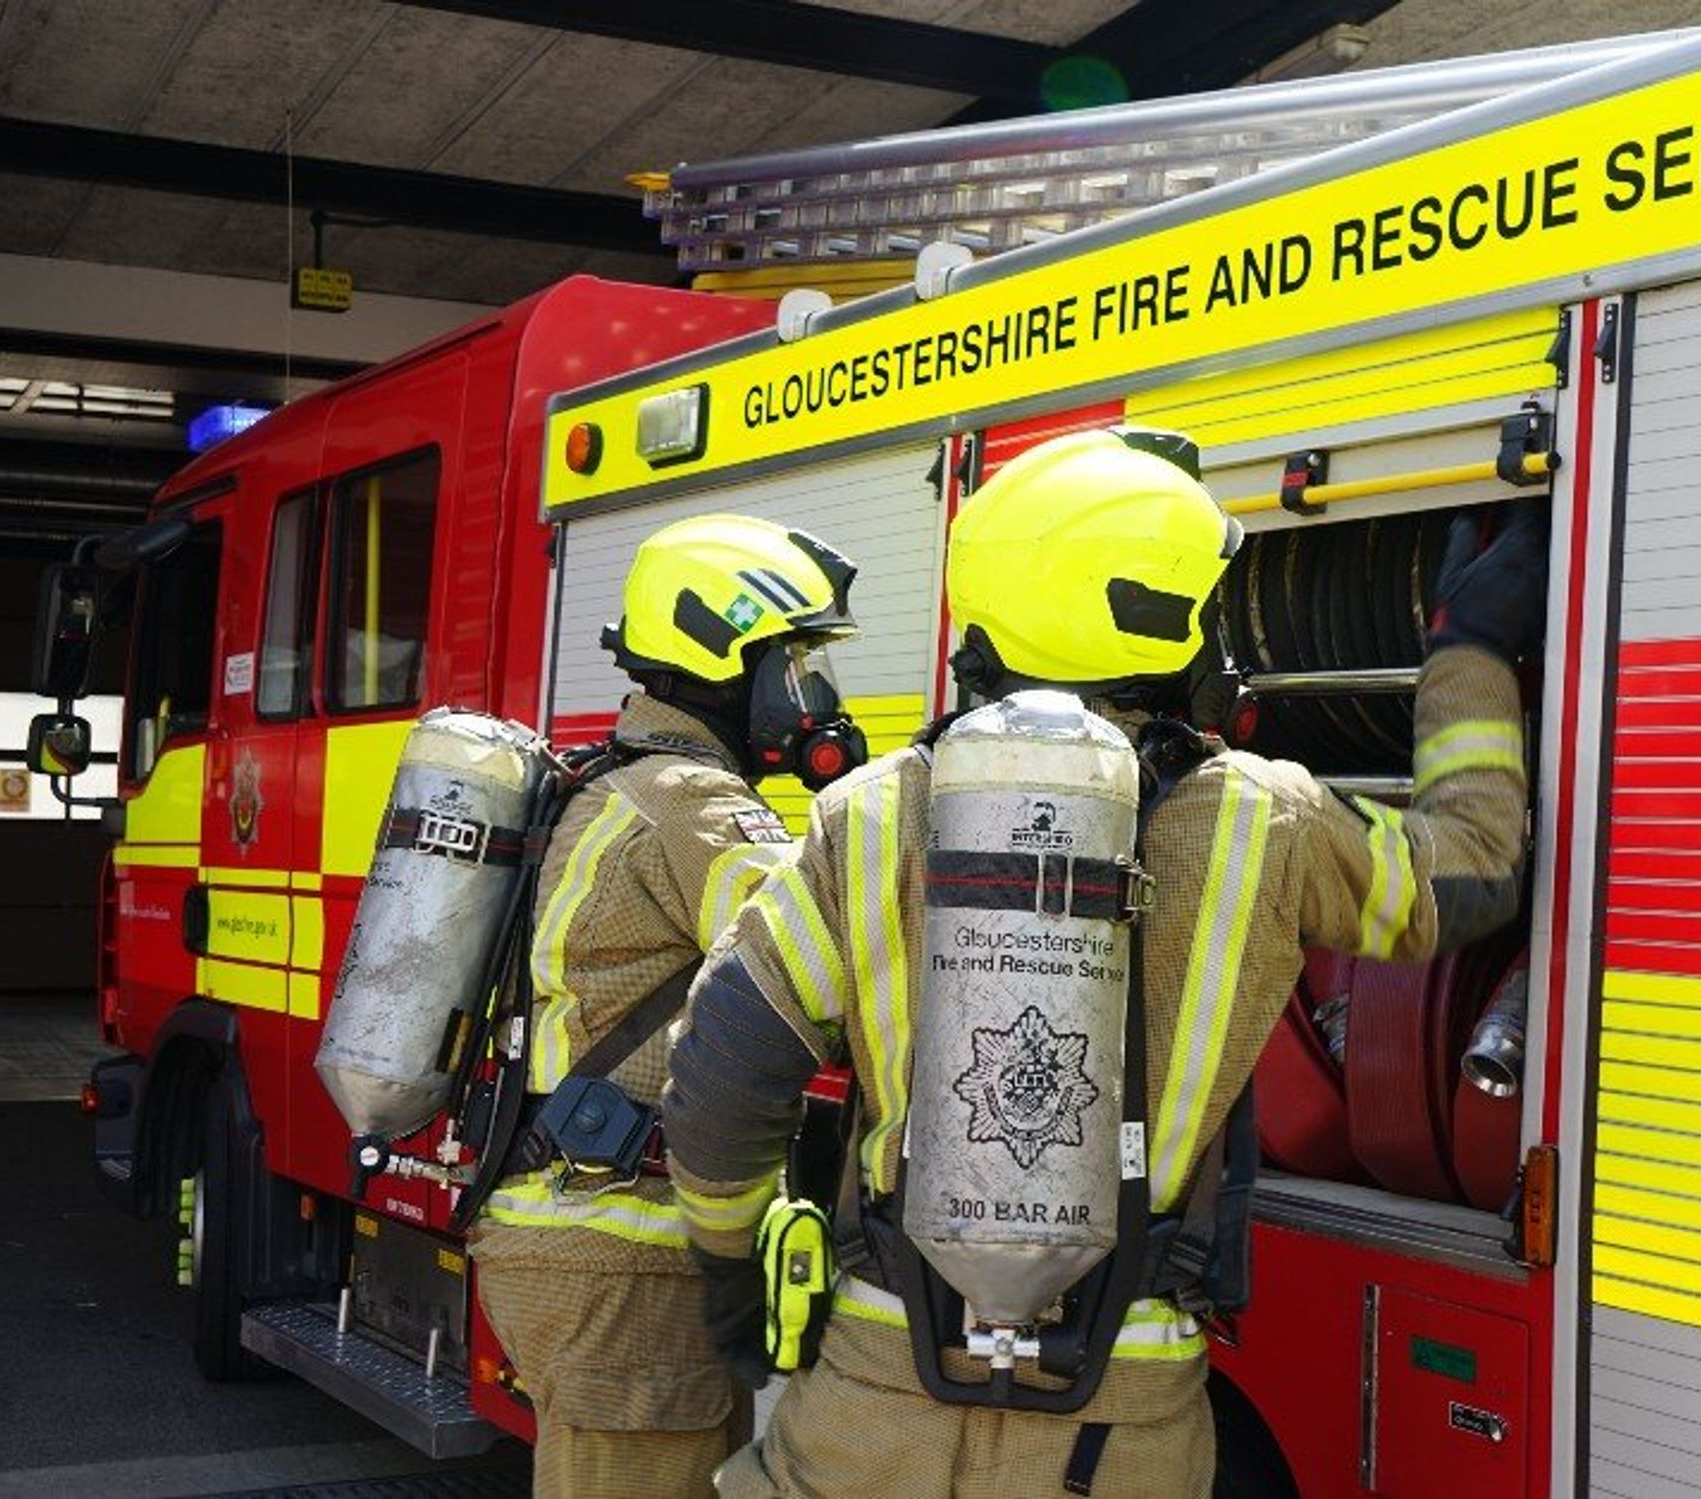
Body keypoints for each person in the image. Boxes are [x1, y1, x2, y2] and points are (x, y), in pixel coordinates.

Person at [661, 427, 1545, 1496]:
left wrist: (727, 1272)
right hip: (1114, 1421)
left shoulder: (873, 809)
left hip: (871, 1398)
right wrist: (1470, 651)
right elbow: (1471, 870)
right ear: (1154, 619)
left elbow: (722, 1067)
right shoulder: (1266, 821)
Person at [467, 513, 868, 1498]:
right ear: (734, 656)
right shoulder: (692, 802)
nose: (812, 689)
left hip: (595, 1236)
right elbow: (835, 968)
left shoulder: (627, 783)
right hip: (621, 1249)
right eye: (797, 658)